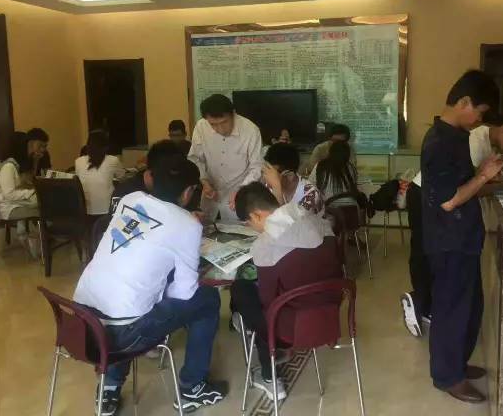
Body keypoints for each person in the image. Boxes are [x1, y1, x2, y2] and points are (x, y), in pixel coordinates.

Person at [74, 154, 227, 415]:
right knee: (207, 299)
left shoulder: (130, 199)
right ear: (189, 192)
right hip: (124, 335)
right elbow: (184, 292)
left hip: (82, 323)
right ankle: (193, 387)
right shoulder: (187, 225)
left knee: (125, 300)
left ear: (151, 180)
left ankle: (109, 387)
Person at [401, 120, 503, 338]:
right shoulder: (474, 141)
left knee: (432, 252)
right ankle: (418, 302)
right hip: (424, 194)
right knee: (424, 250)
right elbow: (469, 190)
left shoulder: (487, 144)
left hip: (437, 196)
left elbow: (473, 183)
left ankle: (426, 304)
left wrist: (496, 180)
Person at [419, 70, 503, 403]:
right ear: (464, 102)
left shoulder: (456, 136)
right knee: (451, 309)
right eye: (479, 112)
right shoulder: (439, 142)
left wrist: (483, 175)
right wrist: (483, 176)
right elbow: (449, 200)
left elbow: (461, 188)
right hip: (448, 240)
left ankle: (456, 364)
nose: (480, 119)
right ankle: (447, 377)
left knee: (469, 306)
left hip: (463, 237)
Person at [229, 182, 340, 401]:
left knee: (241, 290)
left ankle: (269, 376)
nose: (253, 228)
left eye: (249, 223)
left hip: (292, 330)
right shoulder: (317, 221)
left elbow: (268, 300)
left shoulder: (265, 244)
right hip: (330, 313)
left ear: (257, 215)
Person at [188, 94, 262, 221]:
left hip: (239, 194)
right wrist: (204, 181)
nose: (220, 129)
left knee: (239, 230)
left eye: (224, 122)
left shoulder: (251, 130)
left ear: (233, 113)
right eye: (213, 124)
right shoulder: (201, 127)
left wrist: (241, 189)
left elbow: (257, 167)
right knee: (208, 228)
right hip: (210, 194)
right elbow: (195, 159)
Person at [0, 132, 40, 256]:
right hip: (8, 209)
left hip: (9, 205)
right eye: (28, 145)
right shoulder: (8, 167)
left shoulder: (6, 164)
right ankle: (37, 244)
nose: (30, 149)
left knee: (39, 201)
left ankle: (24, 234)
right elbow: (9, 194)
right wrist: (30, 193)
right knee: (42, 207)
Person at [262, 143, 323, 214]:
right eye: (265, 171)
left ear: (289, 175)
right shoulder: (267, 188)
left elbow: (285, 220)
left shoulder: (310, 194)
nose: (266, 177)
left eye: (271, 173)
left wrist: (277, 188)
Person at [75, 130, 125, 216]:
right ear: (106, 146)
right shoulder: (113, 160)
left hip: (85, 210)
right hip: (107, 210)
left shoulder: (78, 161)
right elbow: (122, 177)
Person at [309, 140, 358, 207]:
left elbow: (310, 187)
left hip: (328, 209)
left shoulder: (320, 166)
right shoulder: (350, 168)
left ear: (330, 152)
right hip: (350, 208)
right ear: (347, 155)